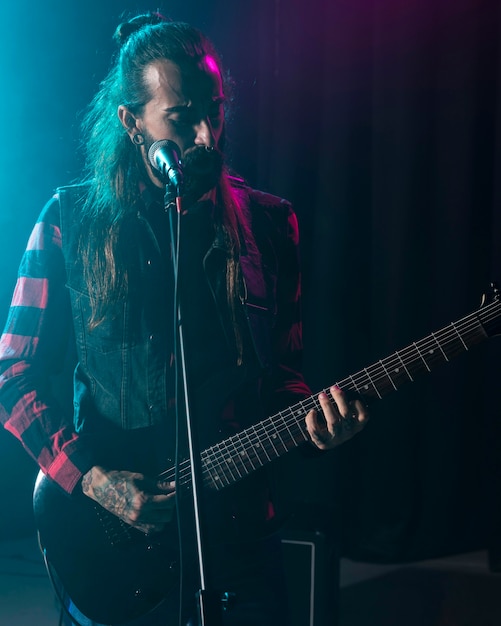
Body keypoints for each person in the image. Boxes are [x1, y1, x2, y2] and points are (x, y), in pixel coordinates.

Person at [0, 11, 368, 626]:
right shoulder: (69, 221)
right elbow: (14, 374)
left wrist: (317, 425)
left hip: (242, 533)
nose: (206, 136)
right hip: (115, 539)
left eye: (215, 110)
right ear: (131, 122)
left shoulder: (271, 224)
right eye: (181, 115)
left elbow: (283, 377)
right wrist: (92, 480)